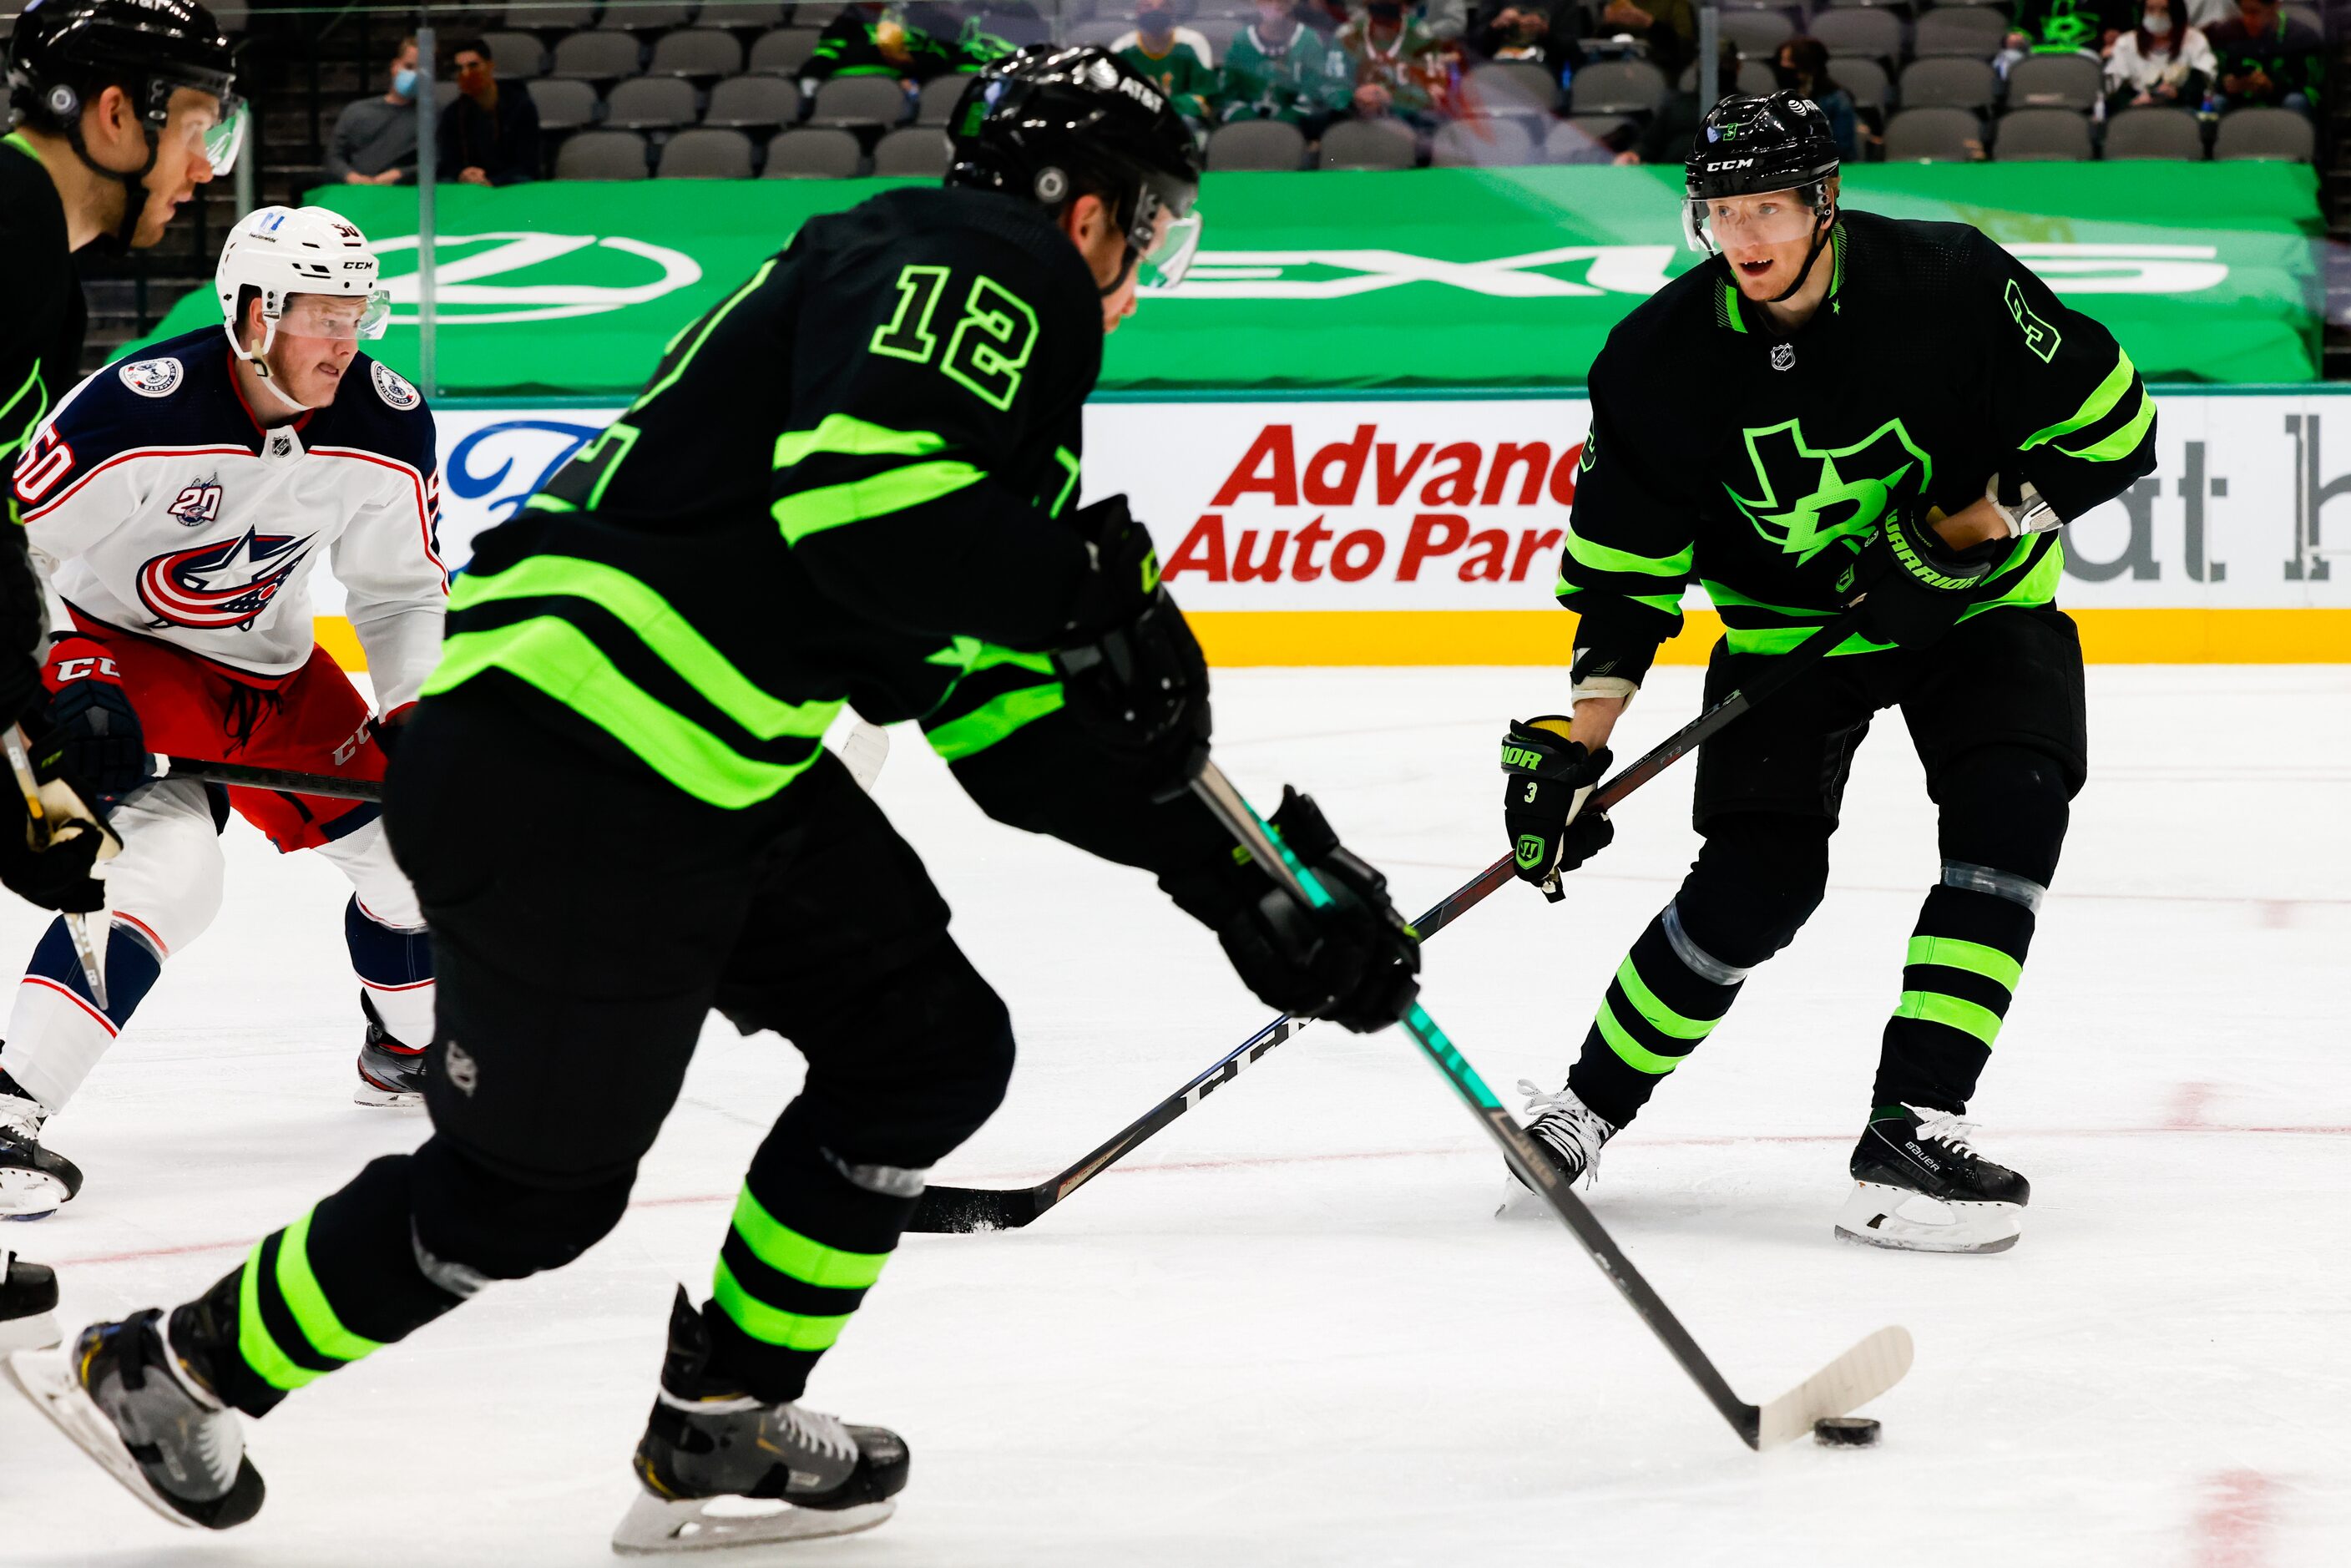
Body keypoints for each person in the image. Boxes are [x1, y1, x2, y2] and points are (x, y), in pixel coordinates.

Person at [5, 45, 1420, 1549]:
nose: (1148, 270)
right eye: (1156, 227)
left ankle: (721, 1420)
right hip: (584, 757)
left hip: (699, 764)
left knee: (925, 1047)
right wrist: (1081, 591)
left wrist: (1249, 889)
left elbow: (1003, 721)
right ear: (1086, 212)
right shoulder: (974, 258)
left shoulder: (978, 387)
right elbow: (868, 514)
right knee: (526, 1195)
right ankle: (173, 1368)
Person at [1502, 93, 2154, 1256]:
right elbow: (1622, 582)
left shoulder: (1948, 284)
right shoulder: (1656, 361)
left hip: (1977, 609)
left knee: (2012, 807)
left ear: (1823, 201)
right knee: (1755, 884)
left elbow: (2117, 430)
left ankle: (1912, 1128)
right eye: (1720, 212)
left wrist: (1962, 531)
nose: (1744, 238)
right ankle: (1581, 1110)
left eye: (1766, 208)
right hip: (1785, 631)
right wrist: (1579, 742)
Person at [0, 204, 447, 1222]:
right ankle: (9, 1106)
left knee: (422, 856)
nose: (348, 341)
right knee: (169, 875)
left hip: (272, 675)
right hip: (121, 659)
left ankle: (409, 1052)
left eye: (359, 315)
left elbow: (400, 591)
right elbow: (15, 548)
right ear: (253, 314)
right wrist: (68, 669)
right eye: (324, 317)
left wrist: (417, 709)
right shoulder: (133, 409)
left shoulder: (385, 417)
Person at [0, 0, 238, 1347]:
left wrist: (33, 697)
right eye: (199, 121)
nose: (209, 160)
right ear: (113, 114)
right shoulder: (13, 235)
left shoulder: (35, 250)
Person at [1219, 0, 1352, 130]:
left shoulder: (1309, 41)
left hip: (1295, 135)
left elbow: (1315, 94)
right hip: (1246, 133)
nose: (1277, 5)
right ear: (1257, 3)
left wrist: (1288, 119)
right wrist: (1247, 118)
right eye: (1268, 0)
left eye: (1283, 0)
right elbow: (1227, 96)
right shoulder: (1241, 42)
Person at [437, 36, 538, 187]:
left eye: (473, 66)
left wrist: (492, 182)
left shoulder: (520, 106)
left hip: (509, 182)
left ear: (490, 66)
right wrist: (462, 174)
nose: (466, 74)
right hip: (468, 185)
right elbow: (448, 161)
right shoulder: (453, 113)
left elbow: (529, 164)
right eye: (460, 69)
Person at [1337, 0, 1450, 129]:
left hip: (1407, 126)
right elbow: (1331, 87)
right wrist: (1357, 98)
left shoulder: (1424, 39)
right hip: (1354, 123)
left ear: (1405, 7)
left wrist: (1392, 99)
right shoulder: (1347, 34)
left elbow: (1435, 96)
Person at [1113, 0, 1221, 134]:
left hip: (1182, 121)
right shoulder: (1122, 48)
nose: (1155, 11)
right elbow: (1115, 99)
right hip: (1137, 122)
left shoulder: (1192, 42)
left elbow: (1204, 96)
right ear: (1137, 11)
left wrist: (1166, 108)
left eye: (1163, 6)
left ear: (1172, 10)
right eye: (1148, 6)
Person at [325, 34, 419, 185]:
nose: (415, 75)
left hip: (404, 194)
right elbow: (334, 156)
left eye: (422, 70)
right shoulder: (357, 111)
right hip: (355, 191)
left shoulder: (430, 118)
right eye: (409, 67)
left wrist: (401, 174)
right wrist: (350, 176)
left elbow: (436, 162)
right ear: (395, 66)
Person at [2202, 0, 2322, 113]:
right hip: (2238, 102)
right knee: (2214, 102)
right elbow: (2210, 81)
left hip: (2284, 102)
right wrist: (2227, 84)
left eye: (2254, 12)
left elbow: (2314, 91)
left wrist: (2272, 88)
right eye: (2244, 12)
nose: (2248, 19)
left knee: (2296, 101)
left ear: (2274, 7)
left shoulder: (2302, 38)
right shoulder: (2227, 34)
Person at [2104, 0, 2216, 114]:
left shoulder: (2195, 39)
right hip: (2137, 110)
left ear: (2176, 13)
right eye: (2151, 9)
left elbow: (2206, 78)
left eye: (2165, 10)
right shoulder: (2125, 43)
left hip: (2182, 108)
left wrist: (2178, 93)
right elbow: (2113, 89)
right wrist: (2132, 101)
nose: (2157, 16)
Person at [1774, 39, 1858, 159]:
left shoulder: (1837, 100)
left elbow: (1842, 147)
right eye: (1782, 60)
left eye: (1788, 61)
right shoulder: (1780, 100)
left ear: (1806, 65)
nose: (1783, 65)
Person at [1596, 0, 1694, 77]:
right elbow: (1598, 50)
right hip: (1620, 77)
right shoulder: (1619, 4)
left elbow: (1684, 48)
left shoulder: (1676, 3)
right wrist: (1607, 25)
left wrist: (1650, 23)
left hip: (1662, 77)